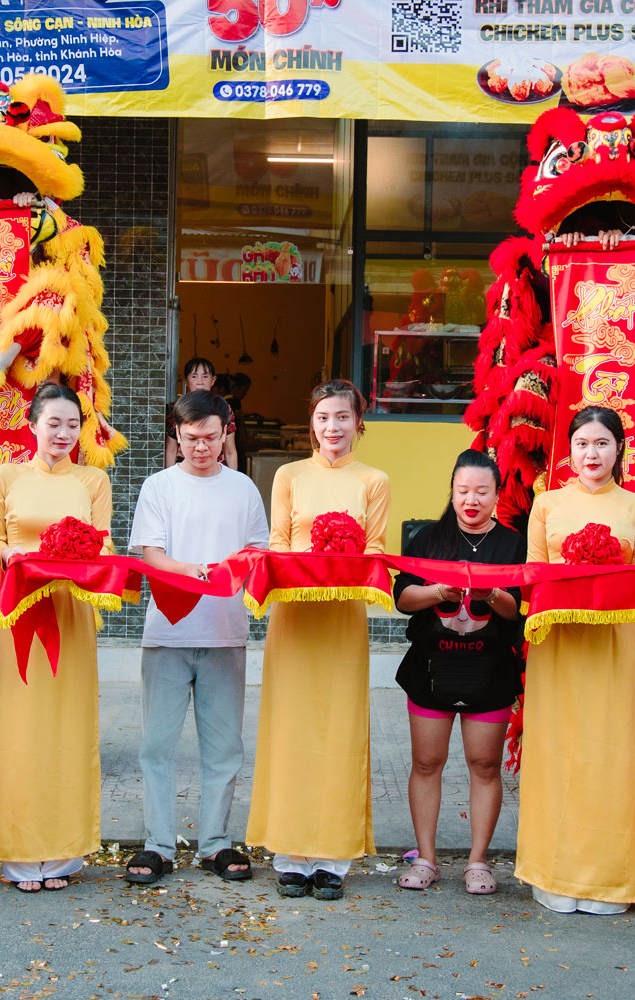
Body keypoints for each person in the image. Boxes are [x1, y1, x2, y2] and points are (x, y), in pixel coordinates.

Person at [245, 379, 390, 900]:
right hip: (294, 617)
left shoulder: (374, 480)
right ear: (312, 421)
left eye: (343, 418)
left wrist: (340, 569)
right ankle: (289, 853)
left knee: (339, 729)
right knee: (291, 728)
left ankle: (333, 857)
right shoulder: (288, 475)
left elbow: (374, 549)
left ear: (358, 423)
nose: (333, 427)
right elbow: (278, 545)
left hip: (343, 619)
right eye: (324, 417)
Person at [518, 405, 635, 915]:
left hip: (612, 646)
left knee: (608, 754)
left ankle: (608, 878)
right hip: (556, 644)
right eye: (581, 444)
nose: (591, 453)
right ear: (568, 451)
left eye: (602, 443)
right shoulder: (547, 505)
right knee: (554, 752)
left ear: (620, 448)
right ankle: (552, 871)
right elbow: (533, 577)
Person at [125, 389, 269, 885]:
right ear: (177, 436)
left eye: (210, 437)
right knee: (157, 745)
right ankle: (157, 846)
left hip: (226, 633)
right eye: (190, 439)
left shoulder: (244, 489)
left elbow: (257, 553)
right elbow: (151, 555)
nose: (201, 448)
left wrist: (229, 572)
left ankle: (216, 844)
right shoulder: (159, 487)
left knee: (224, 746)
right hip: (167, 632)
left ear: (226, 431)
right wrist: (195, 572)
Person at [0, 383, 113, 892]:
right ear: (32, 424)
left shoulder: (93, 480)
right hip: (18, 612)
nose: (63, 433)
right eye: (53, 423)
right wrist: (12, 555)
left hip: (71, 611)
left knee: (67, 730)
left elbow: (102, 545)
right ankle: (18, 854)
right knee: (19, 732)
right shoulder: (5, 476)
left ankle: (61, 853)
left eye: (72, 425)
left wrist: (82, 563)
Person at [392, 450, 524, 895]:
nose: (471, 500)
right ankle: (426, 858)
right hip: (432, 666)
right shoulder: (427, 538)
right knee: (427, 762)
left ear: (497, 494)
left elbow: (518, 610)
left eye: (482, 492)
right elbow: (403, 599)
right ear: (451, 490)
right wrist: (435, 592)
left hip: (491, 669)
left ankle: (478, 861)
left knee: (485, 765)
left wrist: (489, 595)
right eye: (463, 491)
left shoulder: (512, 542)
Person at [165, 357, 237, 469]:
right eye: (194, 376)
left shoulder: (224, 409)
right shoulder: (174, 409)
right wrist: (169, 479)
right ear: (186, 381)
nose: (200, 382)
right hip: (185, 471)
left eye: (205, 377)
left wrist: (233, 480)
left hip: (215, 470)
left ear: (213, 380)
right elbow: (171, 449)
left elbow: (230, 450)